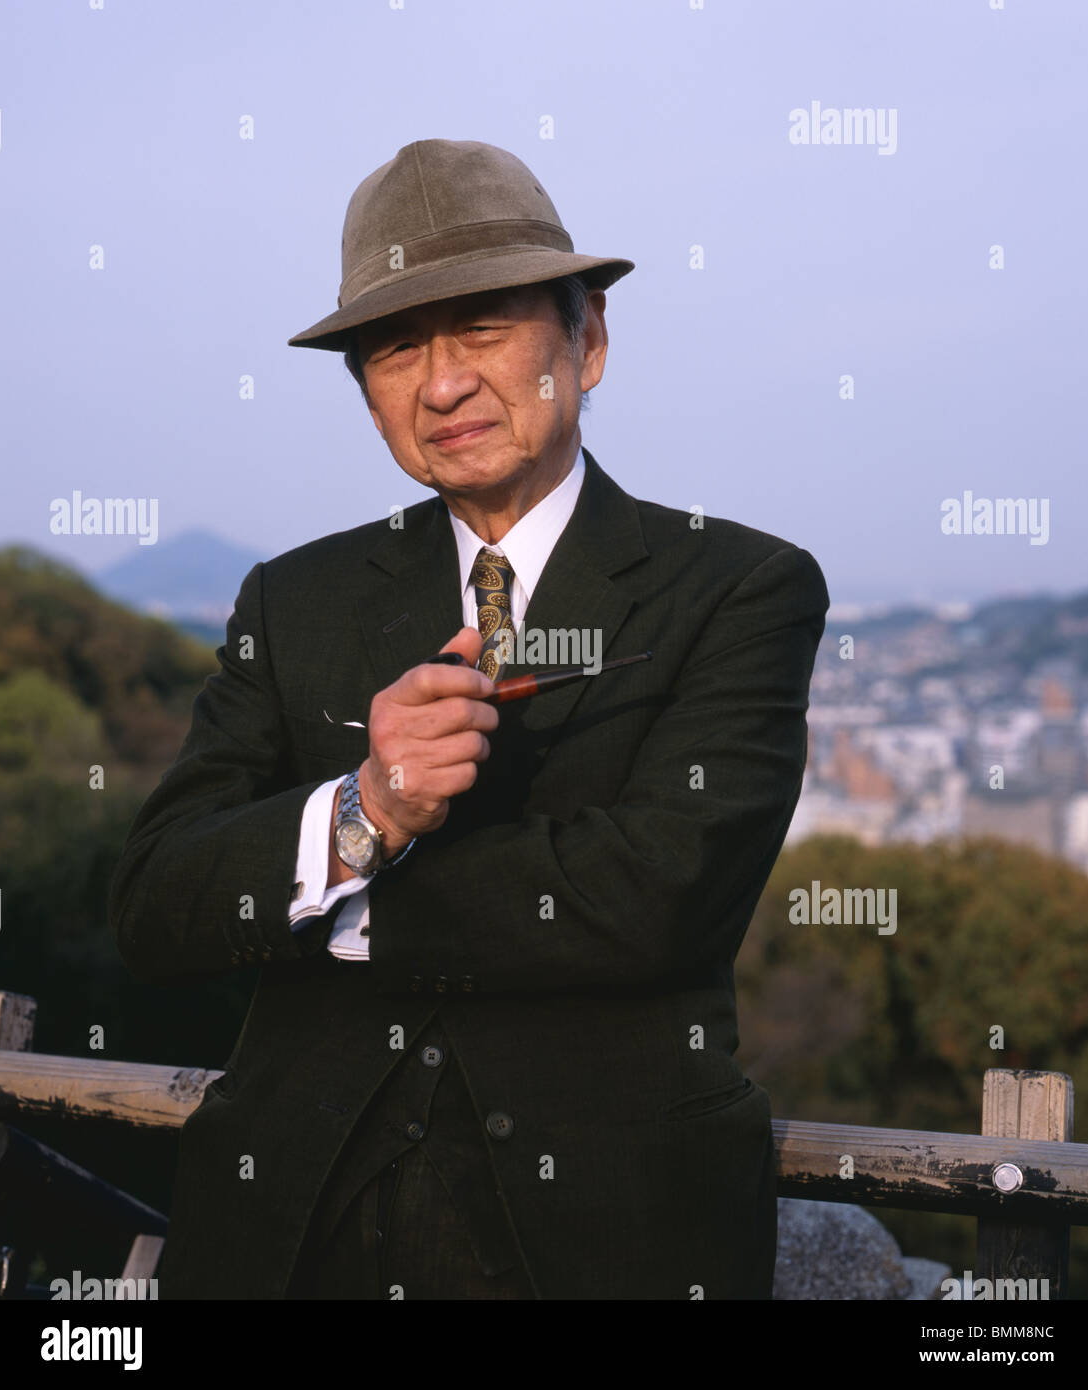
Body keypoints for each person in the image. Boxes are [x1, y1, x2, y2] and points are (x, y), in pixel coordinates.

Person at [109, 138, 830, 1300]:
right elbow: (156, 901)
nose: (441, 385)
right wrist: (364, 809)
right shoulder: (292, 600)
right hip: (288, 1227)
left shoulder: (738, 586)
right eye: (394, 346)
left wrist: (336, 906)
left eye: (484, 328)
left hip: (613, 1234)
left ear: (587, 342)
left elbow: (662, 896)